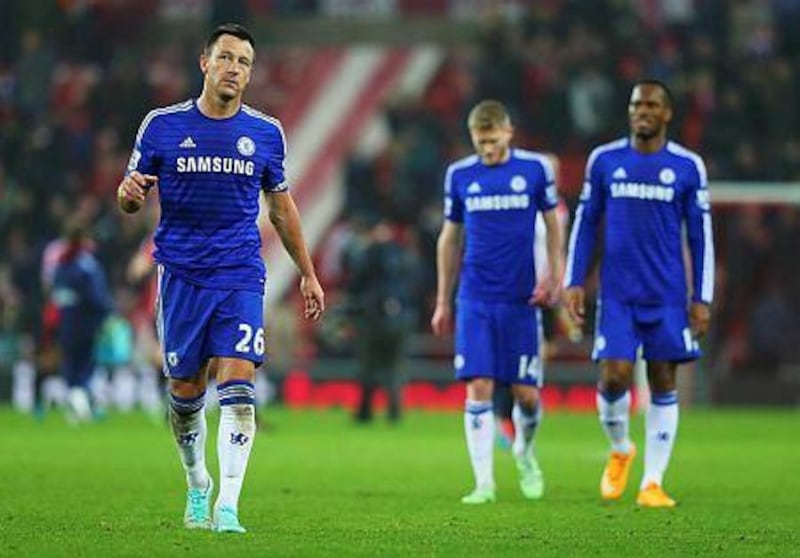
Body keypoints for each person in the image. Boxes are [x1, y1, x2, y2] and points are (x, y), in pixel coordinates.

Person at [116, 23, 324, 533]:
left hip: (239, 273)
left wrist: (308, 273)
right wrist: (130, 194)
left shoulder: (265, 133)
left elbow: (280, 208)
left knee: (238, 386)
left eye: (245, 62)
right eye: (227, 58)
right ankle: (197, 484)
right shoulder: (161, 125)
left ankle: (228, 506)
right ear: (204, 63)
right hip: (181, 275)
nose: (235, 69)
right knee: (185, 396)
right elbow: (129, 195)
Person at [563, 79, 714, 508]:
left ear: (667, 114)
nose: (641, 111)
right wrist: (574, 279)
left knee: (664, 379)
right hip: (618, 295)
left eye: (651, 104)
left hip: (666, 296)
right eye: (635, 104)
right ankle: (621, 447)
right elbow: (586, 222)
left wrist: (701, 297)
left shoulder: (687, 167)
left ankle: (652, 481)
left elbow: (702, 236)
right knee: (613, 377)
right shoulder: (605, 161)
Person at [431, 100, 563, 504]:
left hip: (521, 299)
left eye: (492, 140)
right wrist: (443, 300)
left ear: (508, 132)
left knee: (526, 394)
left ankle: (525, 452)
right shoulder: (460, 175)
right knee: (479, 386)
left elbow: (554, 223)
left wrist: (555, 272)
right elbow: (449, 238)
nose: (486, 148)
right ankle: (484, 482)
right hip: (475, 298)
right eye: (479, 141)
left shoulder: (534, 170)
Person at [342, 216, 420, 424]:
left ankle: (365, 411)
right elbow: (416, 284)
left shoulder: (367, 254)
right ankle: (394, 412)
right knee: (395, 365)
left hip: (372, 318)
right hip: (401, 317)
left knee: (369, 365)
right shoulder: (403, 255)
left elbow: (355, 283)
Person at [49, 220, 113, 423]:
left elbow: (56, 293)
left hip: (66, 322)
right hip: (86, 322)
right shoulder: (87, 265)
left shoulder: (61, 263)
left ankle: (74, 404)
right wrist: (107, 312)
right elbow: (96, 297)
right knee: (85, 365)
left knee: (70, 364)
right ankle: (81, 404)